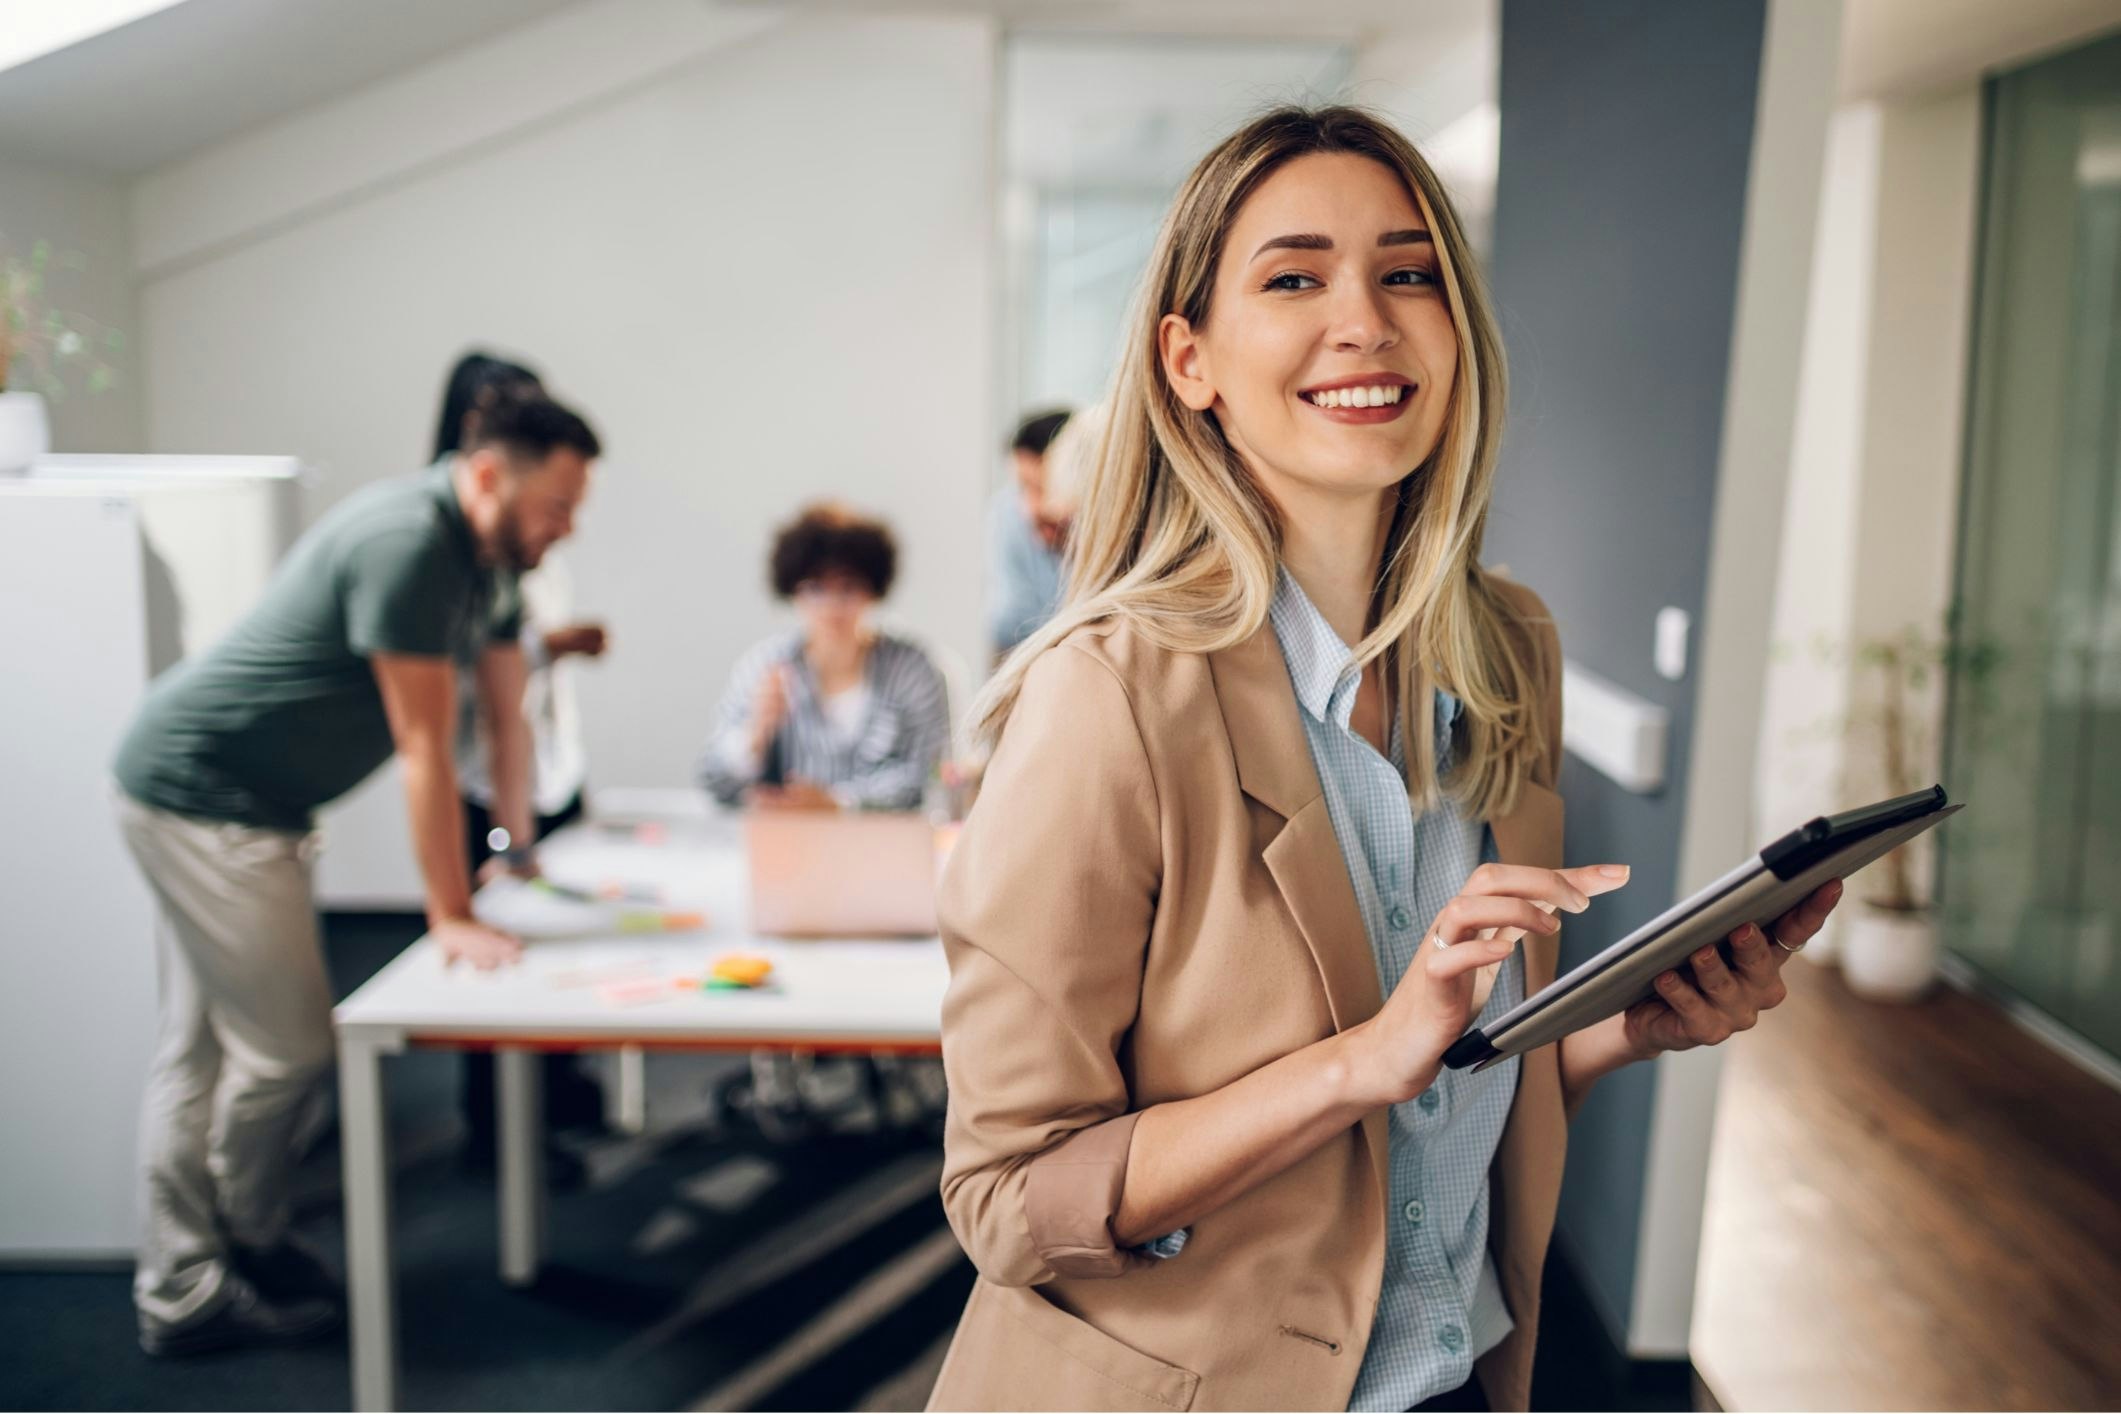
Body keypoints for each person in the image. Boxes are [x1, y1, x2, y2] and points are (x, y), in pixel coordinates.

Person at [928, 105, 1843, 1413]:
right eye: (1293, 277)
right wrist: (1362, 1054)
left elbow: (1432, 1107)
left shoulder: (1506, 643)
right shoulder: (1107, 696)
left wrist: (1602, 1033)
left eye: (1407, 272)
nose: (1362, 318)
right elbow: (1009, 1200)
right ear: (1190, 360)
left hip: (1453, 1374)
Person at [112, 389, 600, 1356]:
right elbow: (423, 749)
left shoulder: (490, 561)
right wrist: (450, 914)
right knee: (287, 1049)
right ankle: (239, 1249)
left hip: (243, 800)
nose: (566, 526)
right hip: (205, 795)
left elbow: (499, 719)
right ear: (491, 475)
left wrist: (519, 852)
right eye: (555, 505)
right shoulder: (408, 542)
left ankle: (183, 1278)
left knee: (205, 1049)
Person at [432, 353, 613, 1167]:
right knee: (493, 954)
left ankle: (553, 1103)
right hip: (486, 779)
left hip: (542, 773)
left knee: (554, 943)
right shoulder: (445, 553)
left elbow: (515, 715)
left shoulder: (519, 553)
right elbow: (465, 713)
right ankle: (499, 1137)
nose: (566, 524)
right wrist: (498, 852)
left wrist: (524, 839)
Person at [698, 503, 949, 811]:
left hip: (884, 848)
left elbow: (930, 779)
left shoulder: (913, 671)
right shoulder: (764, 668)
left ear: (872, 590)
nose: (831, 607)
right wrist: (754, 736)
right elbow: (714, 781)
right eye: (816, 589)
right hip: (788, 848)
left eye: (847, 588)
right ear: (793, 591)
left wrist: (837, 803)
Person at [987, 409, 1072, 660]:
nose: (1033, 507)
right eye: (1024, 486)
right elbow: (1008, 623)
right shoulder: (1007, 514)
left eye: (1043, 488)